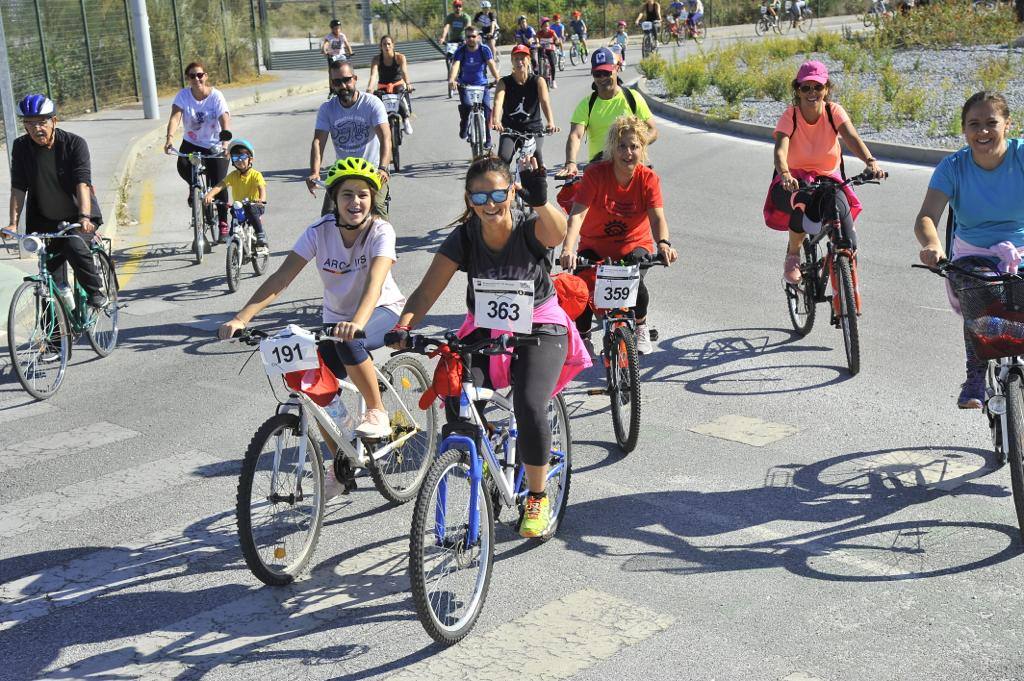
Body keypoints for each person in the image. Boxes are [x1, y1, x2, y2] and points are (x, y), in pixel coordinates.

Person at [386, 156, 590, 538]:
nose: (490, 203)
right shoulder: (464, 237)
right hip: (484, 330)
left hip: (540, 327)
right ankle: (485, 458)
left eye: (498, 193)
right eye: (480, 197)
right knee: (457, 396)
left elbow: (558, 233)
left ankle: (537, 496)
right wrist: (404, 325)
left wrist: (542, 200)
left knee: (529, 403)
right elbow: (427, 290)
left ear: (511, 192)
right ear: (469, 200)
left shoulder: (529, 229)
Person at [218, 157, 405, 448]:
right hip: (338, 320)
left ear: (372, 198)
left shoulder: (381, 231)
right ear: (334, 198)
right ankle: (340, 461)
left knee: (349, 342)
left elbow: (374, 284)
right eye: (347, 194)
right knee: (314, 385)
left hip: (382, 310)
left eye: (363, 195)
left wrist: (357, 322)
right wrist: (242, 318)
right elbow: (282, 278)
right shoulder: (319, 231)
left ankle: (376, 410)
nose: (355, 201)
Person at [913, 91, 1024, 408]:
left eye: (992, 122)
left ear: (1007, 124)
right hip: (973, 253)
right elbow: (926, 216)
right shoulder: (953, 167)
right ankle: (975, 375)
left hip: (1021, 247)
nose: (983, 131)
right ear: (964, 130)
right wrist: (932, 244)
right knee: (979, 288)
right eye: (974, 124)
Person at [559, 116, 677, 355]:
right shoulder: (595, 174)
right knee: (581, 288)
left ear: (642, 148)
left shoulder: (649, 179)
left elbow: (657, 218)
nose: (628, 152)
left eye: (634, 146)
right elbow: (577, 215)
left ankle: (641, 326)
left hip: (634, 244)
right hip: (595, 245)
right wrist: (568, 250)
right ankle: (583, 337)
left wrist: (663, 244)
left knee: (636, 280)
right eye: (622, 146)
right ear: (613, 148)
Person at [765, 60, 884, 285]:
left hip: (828, 178)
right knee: (802, 202)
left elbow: (852, 138)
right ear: (797, 90)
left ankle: (846, 293)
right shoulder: (790, 116)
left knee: (847, 234)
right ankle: (793, 254)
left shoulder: (833, 111)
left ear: (826, 89)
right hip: (794, 180)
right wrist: (786, 174)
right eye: (805, 88)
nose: (812, 93)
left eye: (818, 87)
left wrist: (870, 162)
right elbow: (780, 151)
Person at [6, 94, 106, 309]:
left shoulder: (74, 144)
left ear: (54, 121)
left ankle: (95, 291)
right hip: (45, 220)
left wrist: (85, 217)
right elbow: (18, 187)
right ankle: (53, 341)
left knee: (73, 244)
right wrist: (13, 223)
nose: (36, 128)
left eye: (42, 121)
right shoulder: (21, 147)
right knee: (48, 281)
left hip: (78, 217)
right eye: (29, 123)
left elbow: (82, 183)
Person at [308, 61, 392, 219]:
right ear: (332, 84)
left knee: (379, 215)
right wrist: (314, 172)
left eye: (346, 80)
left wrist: (383, 168)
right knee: (327, 219)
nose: (343, 86)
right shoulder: (327, 109)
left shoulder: (372, 103)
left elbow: (385, 137)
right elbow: (318, 142)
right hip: (343, 172)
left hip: (372, 171)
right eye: (337, 82)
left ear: (355, 79)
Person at [560, 47, 657, 176]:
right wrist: (571, 162)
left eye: (606, 73)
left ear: (616, 69)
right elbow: (576, 135)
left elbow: (652, 130)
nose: (602, 78)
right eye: (597, 74)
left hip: (630, 167)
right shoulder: (587, 104)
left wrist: (634, 144)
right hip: (600, 168)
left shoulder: (632, 98)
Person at [164, 60, 232, 241]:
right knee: (183, 165)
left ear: (206, 76)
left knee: (219, 182)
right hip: (192, 143)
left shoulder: (216, 96)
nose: (196, 79)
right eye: (192, 76)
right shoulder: (183, 96)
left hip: (214, 144)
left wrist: (225, 141)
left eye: (200, 75)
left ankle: (223, 223)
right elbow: (175, 117)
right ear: (188, 79)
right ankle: (194, 186)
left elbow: (224, 117)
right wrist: (169, 138)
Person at [492, 44, 559, 168]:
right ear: (512, 61)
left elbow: (544, 102)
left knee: (536, 157)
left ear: (528, 60)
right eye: (516, 58)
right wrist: (496, 120)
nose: (519, 62)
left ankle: (540, 183)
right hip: (510, 130)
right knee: (503, 159)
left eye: (523, 58)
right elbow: (497, 102)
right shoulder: (504, 82)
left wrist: (550, 122)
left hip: (533, 130)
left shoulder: (538, 81)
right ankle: (505, 186)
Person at [202, 138, 268, 248]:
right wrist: (210, 195)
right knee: (234, 227)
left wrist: (261, 199)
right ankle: (235, 246)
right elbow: (220, 186)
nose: (239, 160)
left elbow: (262, 188)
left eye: (242, 157)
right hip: (239, 207)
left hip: (255, 206)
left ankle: (260, 234)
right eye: (235, 158)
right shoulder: (233, 175)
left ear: (250, 159)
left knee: (251, 210)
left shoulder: (256, 175)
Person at [448, 26, 500, 150]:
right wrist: (452, 79)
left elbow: (491, 65)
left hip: (482, 85)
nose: (471, 39)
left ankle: (487, 139)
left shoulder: (484, 49)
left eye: (473, 36)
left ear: (478, 37)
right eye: (468, 36)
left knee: (487, 110)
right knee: (467, 107)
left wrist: (497, 78)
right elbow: (456, 65)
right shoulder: (461, 51)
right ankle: (464, 125)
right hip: (465, 85)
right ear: (465, 38)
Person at [367, 34, 415, 136]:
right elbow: (373, 75)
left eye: (389, 44)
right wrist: (370, 88)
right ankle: (379, 126)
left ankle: (406, 120)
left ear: (393, 45)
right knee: (378, 105)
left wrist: (408, 84)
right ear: (380, 46)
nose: (387, 46)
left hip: (398, 84)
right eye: (384, 44)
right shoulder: (376, 59)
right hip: (383, 86)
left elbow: (404, 72)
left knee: (401, 97)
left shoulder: (400, 57)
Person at [536, 18, 562, 88]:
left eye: (547, 26)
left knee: (552, 64)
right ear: (541, 27)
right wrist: (538, 43)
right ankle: (541, 74)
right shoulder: (539, 33)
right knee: (540, 60)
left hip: (550, 48)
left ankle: (553, 81)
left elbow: (556, 38)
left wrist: (556, 41)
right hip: (542, 48)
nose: (546, 27)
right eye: (544, 26)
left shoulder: (552, 32)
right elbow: (537, 39)